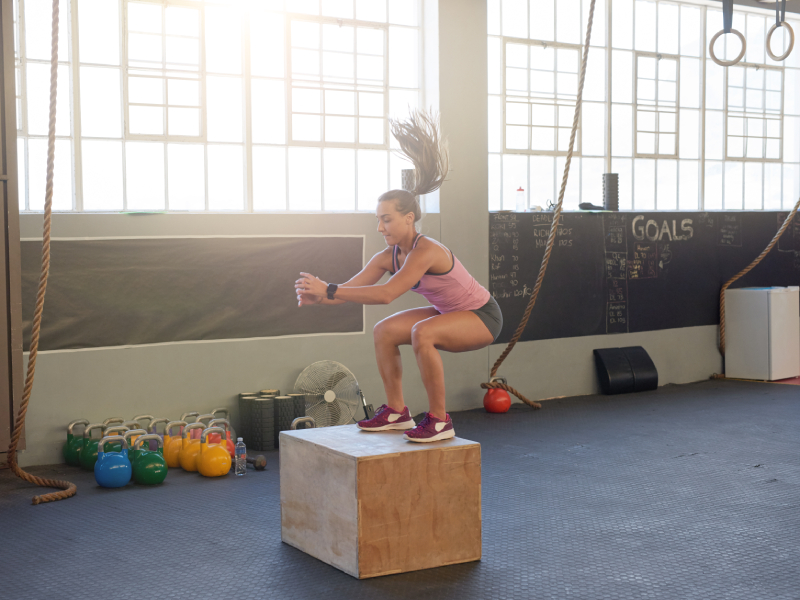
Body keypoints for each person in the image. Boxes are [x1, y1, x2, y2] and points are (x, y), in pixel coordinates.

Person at [294, 110, 502, 442]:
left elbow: (386, 294)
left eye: (387, 219)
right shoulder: (386, 257)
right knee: (385, 330)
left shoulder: (426, 251)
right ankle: (396, 411)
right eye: (378, 219)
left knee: (422, 333)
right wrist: (320, 296)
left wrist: (330, 289)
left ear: (409, 218)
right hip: (450, 313)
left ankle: (438, 421)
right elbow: (350, 291)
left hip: (482, 317)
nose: (380, 227)